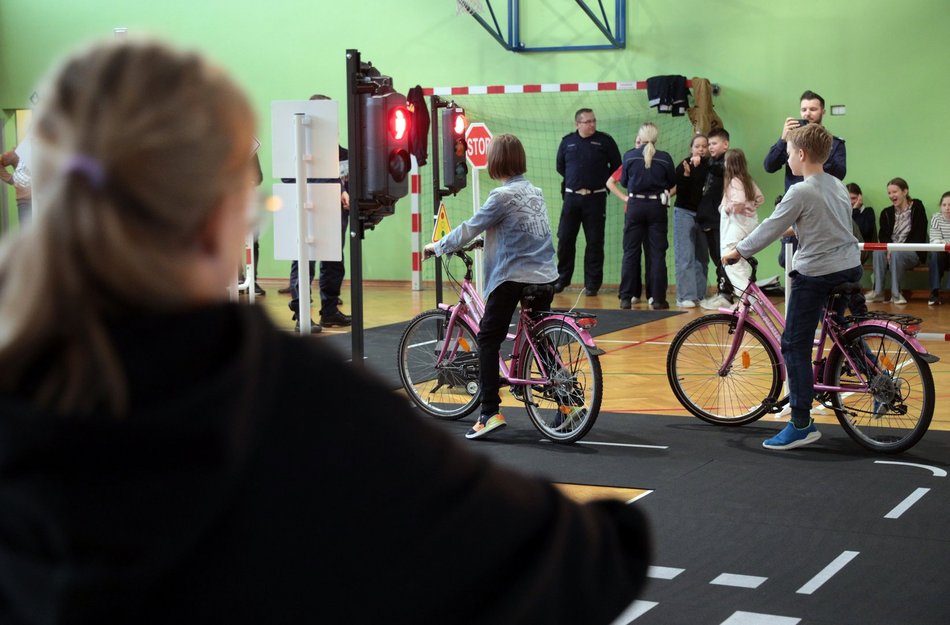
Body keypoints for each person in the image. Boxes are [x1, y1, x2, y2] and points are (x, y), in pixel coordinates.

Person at [0, 40, 652, 624]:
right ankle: (490, 403)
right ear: (223, 213)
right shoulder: (292, 403)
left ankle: (493, 401)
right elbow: (583, 563)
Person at [723, 123, 861, 451]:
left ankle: (801, 423)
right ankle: (868, 366)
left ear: (800, 154)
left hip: (817, 273)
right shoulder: (837, 185)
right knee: (840, 331)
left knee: (794, 346)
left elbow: (769, 227)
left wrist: (738, 251)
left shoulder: (799, 191)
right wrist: (798, 228)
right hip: (848, 266)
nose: (786, 160)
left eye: (787, 154)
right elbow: (831, 221)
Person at [424, 134, 560, 439]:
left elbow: (469, 227)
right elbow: (527, 231)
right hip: (546, 275)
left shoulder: (500, 197)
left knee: (487, 339)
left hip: (513, 276)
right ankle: (568, 403)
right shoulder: (535, 192)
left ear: (496, 161)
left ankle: (488, 412)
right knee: (540, 339)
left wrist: (439, 246)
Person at [764, 90, 847, 269]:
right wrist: (783, 139)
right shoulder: (791, 143)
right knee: (787, 260)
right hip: (795, 205)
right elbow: (769, 166)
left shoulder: (834, 143)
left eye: (813, 109)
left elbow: (840, 173)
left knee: (818, 260)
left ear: (823, 112)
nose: (807, 113)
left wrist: (815, 158)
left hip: (821, 206)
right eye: (803, 109)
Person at [554, 108, 622, 296]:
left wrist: (600, 180)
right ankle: (562, 279)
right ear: (578, 124)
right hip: (571, 198)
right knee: (565, 239)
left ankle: (592, 284)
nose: (592, 124)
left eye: (594, 120)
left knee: (594, 242)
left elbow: (618, 166)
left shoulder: (605, 141)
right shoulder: (567, 142)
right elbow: (560, 166)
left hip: (596, 198)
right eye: (588, 121)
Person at [610, 122, 676, 310]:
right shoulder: (664, 158)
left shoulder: (630, 156)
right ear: (656, 138)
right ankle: (658, 298)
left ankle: (626, 297)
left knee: (630, 251)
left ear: (640, 137)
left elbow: (623, 182)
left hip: (635, 206)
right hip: (656, 207)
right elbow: (671, 181)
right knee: (657, 253)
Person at [866, 177, 928, 305]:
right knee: (878, 251)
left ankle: (896, 294)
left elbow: (919, 233)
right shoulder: (886, 213)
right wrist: (889, 248)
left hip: (911, 253)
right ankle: (878, 293)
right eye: (889, 193)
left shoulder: (917, 207)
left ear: (905, 192)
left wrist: (895, 248)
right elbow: (883, 236)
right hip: (891, 252)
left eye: (895, 192)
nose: (891, 195)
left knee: (896, 253)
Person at [671, 133, 710, 308]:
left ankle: (700, 295)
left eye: (704, 146)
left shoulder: (711, 166)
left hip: (703, 216)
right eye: (697, 146)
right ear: (691, 149)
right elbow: (681, 191)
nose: (701, 149)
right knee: (685, 255)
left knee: (702, 257)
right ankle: (685, 296)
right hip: (684, 212)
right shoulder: (684, 165)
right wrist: (686, 175)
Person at [696, 127, 733, 309]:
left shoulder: (727, 162)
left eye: (714, 143)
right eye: (708, 144)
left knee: (721, 257)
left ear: (725, 145)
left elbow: (718, 169)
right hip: (709, 219)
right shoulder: (712, 163)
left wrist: (701, 160)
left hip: (720, 220)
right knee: (715, 257)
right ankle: (722, 292)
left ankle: (725, 293)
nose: (710, 147)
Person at [718, 148, 764, 294]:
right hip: (749, 223)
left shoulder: (734, 181)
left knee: (730, 261)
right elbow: (760, 198)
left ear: (729, 163)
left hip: (738, 225)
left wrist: (727, 208)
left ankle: (747, 298)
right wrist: (750, 208)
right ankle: (749, 298)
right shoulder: (747, 180)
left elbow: (738, 202)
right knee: (741, 260)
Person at [926, 191, 950, 305]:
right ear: (940, 206)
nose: (947, 208)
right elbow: (935, 241)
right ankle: (934, 293)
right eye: (944, 205)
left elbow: (940, 241)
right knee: (935, 254)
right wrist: (945, 244)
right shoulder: (936, 218)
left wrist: (943, 242)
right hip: (942, 254)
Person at [0, 148, 32, 226]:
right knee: (26, 234)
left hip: (43, 199)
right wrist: (11, 180)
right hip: (25, 202)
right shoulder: (16, 153)